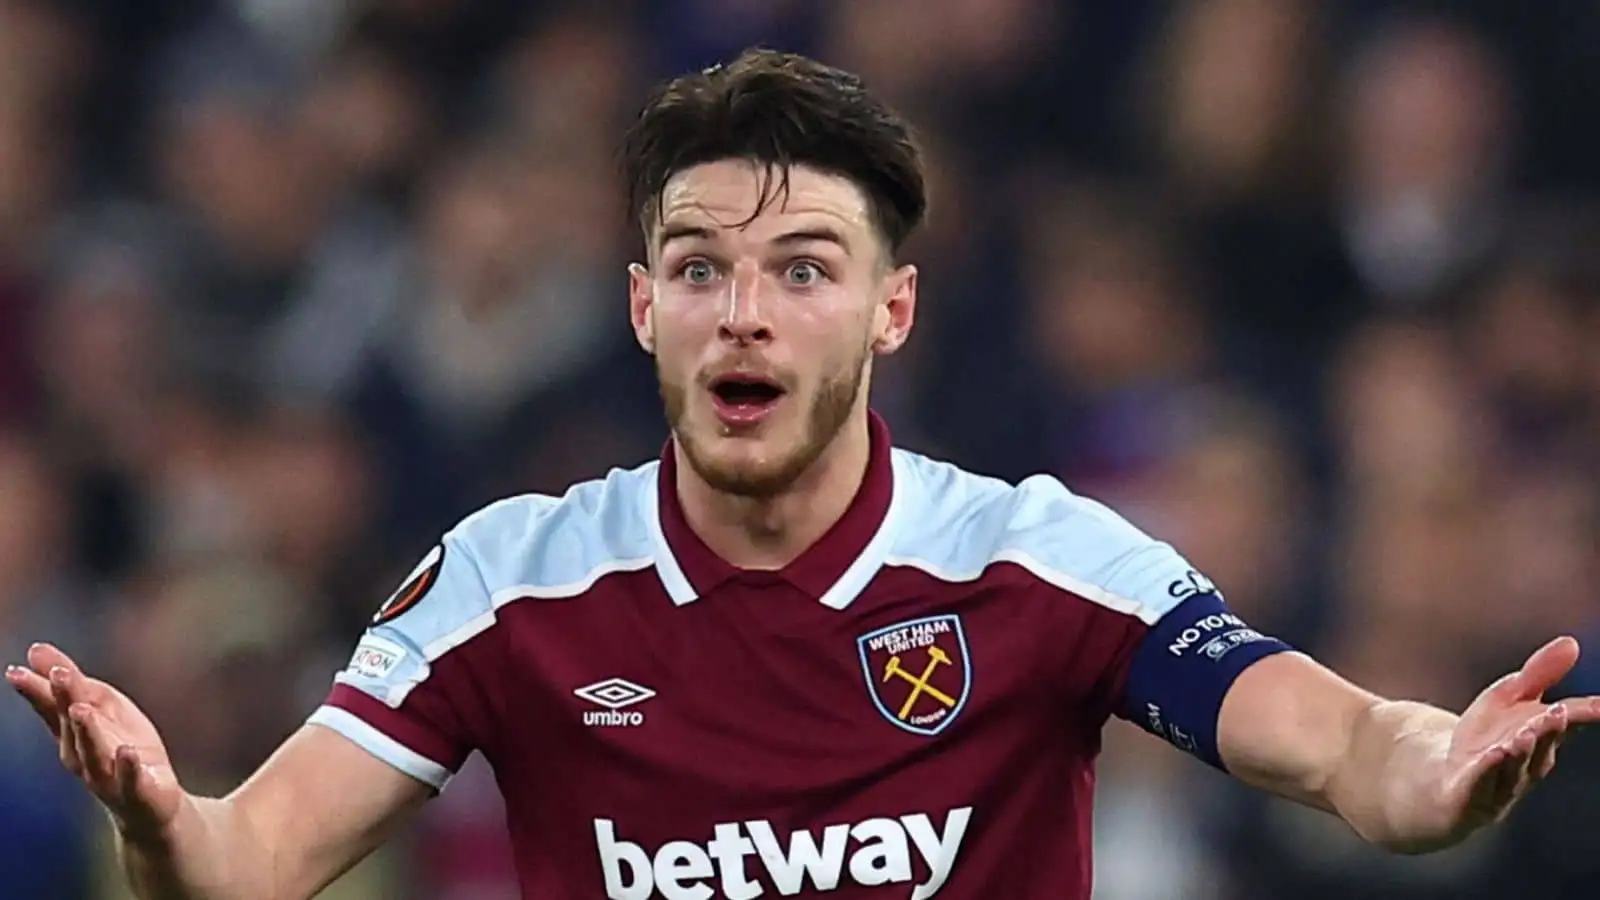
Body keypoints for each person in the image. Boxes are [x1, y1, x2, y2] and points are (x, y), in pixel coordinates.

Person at [8, 48, 1599, 900]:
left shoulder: (1037, 559)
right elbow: (247, 865)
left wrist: (1428, 768)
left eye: (803, 268)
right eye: (695, 268)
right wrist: (159, 817)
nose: (743, 310)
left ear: (893, 307)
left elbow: (1326, 742)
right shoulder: (511, 578)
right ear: (641, 309)